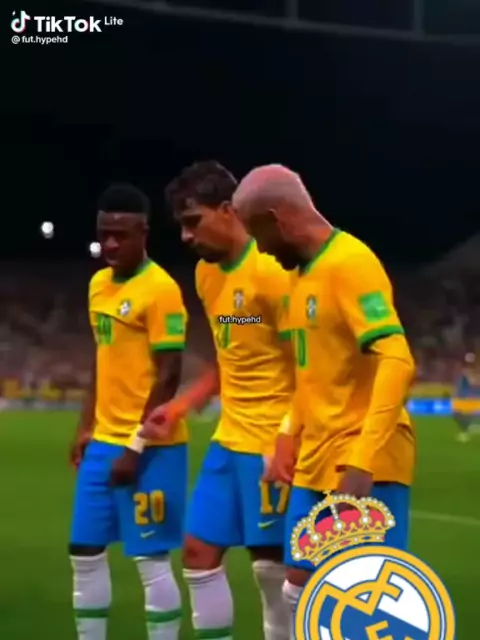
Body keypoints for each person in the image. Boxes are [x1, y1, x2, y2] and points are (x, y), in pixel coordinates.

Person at [232, 164, 416, 637]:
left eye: (258, 235)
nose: (260, 251)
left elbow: (397, 359)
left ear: (277, 219)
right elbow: (311, 372)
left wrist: (362, 458)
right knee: (298, 591)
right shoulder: (297, 278)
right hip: (314, 460)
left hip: (362, 457)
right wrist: (287, 433)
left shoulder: (351, 263)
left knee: (365, 605)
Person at [141, 161, 295, 640]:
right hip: (229, 438)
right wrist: (180, 406)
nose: (186, 237)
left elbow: (308, 366)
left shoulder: (272, 271)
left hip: (270, 442)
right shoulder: (208, 275)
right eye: (181, 226)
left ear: (228, 210)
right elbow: (229, 360)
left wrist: (290, 434)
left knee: (270, 568)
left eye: (194, 221)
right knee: (197, 553)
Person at [69, 184, 188, 640]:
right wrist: (86, 426)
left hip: (152, 448)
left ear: (144, 233)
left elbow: (170, 373)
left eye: (121, 234)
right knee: (83, 552)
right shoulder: (98, 285)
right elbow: (102, 359)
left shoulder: (160, 290)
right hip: (104, 442)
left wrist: (136, 446)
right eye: (104, 234)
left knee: (150, 559)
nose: (111, 244)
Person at [452, 352, 480, 443]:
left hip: (472, 397)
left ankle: (465, 432)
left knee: (468, 414)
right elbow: (459, 385)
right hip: (462, 397)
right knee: (457, 414)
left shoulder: (473, 372)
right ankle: (467, 429)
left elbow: (474, 383)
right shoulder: (463, 372)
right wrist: (455, 394)